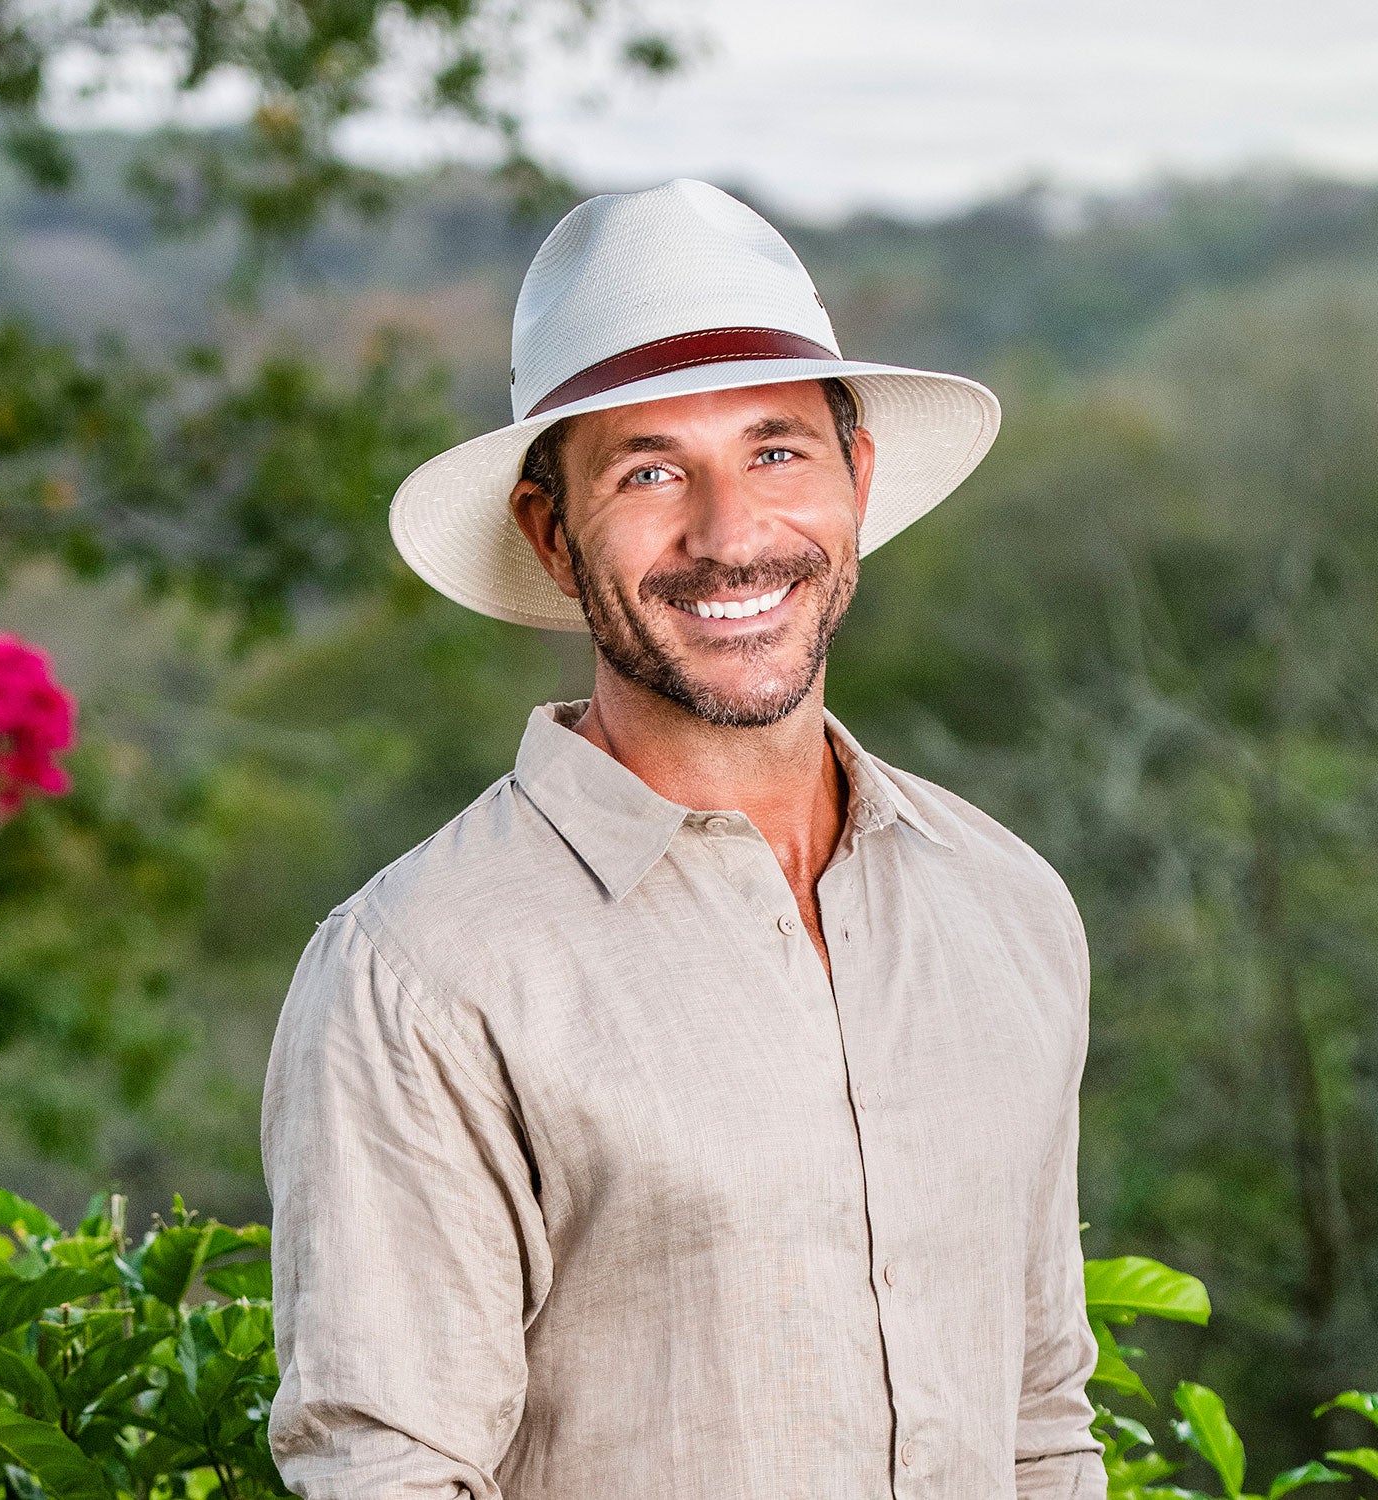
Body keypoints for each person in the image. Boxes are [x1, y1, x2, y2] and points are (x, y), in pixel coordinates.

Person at [261, 177, 1105, 1500]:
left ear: (856, 480)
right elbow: (388, 1474)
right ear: (551, 532)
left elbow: (1041, 1417)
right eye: (650, 470)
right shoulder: (420, 971)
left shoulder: (1009, 904)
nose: (729, 536)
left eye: (776, 450)